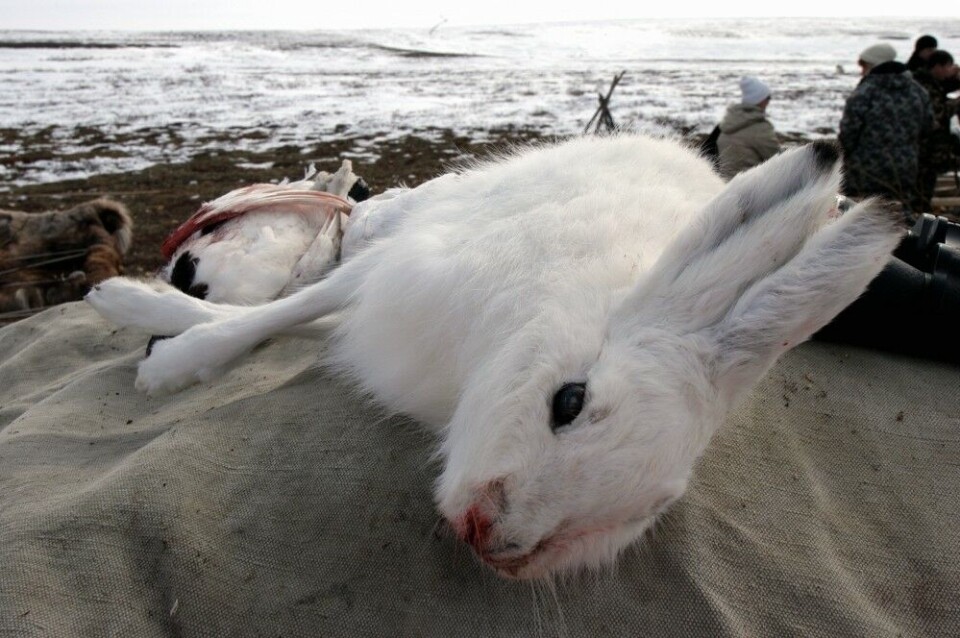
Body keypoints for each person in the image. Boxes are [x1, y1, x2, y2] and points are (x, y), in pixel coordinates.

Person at [838, 43, 933, 215]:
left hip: (866, 171)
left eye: (865, 66)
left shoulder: (864, 92)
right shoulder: (918, 91)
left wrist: (845, 158)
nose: (862, 72)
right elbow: (927, 129)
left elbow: (848, 133)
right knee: (898, 214)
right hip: (905, 169)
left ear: (875, 65)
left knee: (861, 216)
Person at [913, 50, 960, 210]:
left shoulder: (928, 82)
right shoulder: (927, 86)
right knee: (923, 188)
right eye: (948, 66)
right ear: (938, 67)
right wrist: (956, 104)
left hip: (924, 149)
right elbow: (937, 115)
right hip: (926, 149)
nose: (950, 70)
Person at [716, 76, 780, 180]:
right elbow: (779, 160)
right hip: (754, 186)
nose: (768, 102)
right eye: (768, 98)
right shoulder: (759, 129)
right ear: (759, 100)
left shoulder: (727, 124)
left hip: (726, 185)